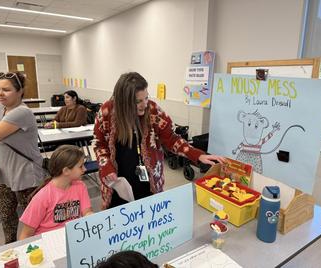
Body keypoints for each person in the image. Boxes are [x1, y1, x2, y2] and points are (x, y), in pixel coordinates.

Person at [93, 72, 225, 209]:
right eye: (137, 101)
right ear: (123, 101)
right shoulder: (107, 111)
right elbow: (99, 144)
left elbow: (171, 138)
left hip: (149, 180)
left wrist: (197, 154)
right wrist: (106, 166)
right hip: (117, 181)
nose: (144, 104)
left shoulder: (153, 110)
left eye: (146, 98)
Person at [0, 71, 44, 243]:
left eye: (6, 90)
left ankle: (39, 248)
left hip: (25, 175)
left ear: (20, 91)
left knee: (33, 221)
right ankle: (11, 250)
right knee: (7, 219)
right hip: (3, 174)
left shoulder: (22, 112)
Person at [19, 145, 93, 239]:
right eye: (81, 166)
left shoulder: (80, 186)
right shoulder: (42, 196)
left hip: (73, 238)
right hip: (48, 243)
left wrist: (90, 216)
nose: (85, 169)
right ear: (66, 171)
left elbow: (87, 212)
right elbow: (26, 234)